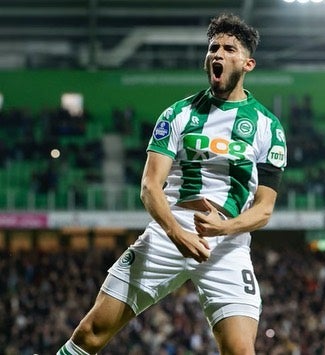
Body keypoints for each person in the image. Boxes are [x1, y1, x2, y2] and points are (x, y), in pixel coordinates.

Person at [57, 13, 287, 355]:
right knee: (90, 333)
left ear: (248, 63)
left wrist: (224, 229)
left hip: (226, 245)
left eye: (228, 49)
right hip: (168, 234)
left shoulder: (269, 127)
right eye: (213, 48)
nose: (218, 55)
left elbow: (264, 210)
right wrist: (177, 235)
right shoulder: (178, 115)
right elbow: (150, 187)